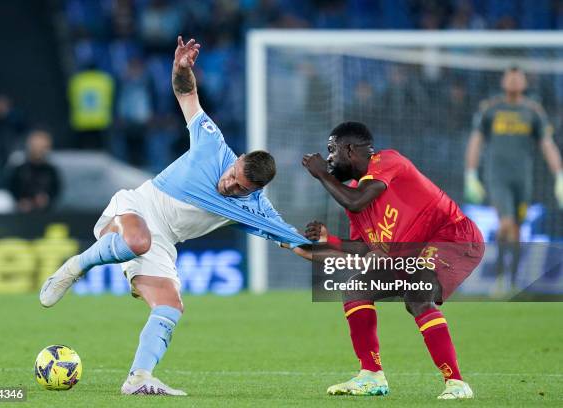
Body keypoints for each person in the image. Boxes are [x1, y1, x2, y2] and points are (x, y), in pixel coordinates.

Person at [39, 36, 309, 396]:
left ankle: (138, 379)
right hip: (135, 207)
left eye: (238, 187)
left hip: (164, 242)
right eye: (232, 173)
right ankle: (75, 266)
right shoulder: (213, 144)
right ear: (238, 158)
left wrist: (348, 254)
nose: (228, 183)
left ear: (253, 191)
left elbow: (300, 245)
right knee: (137, 240)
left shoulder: (257, 210)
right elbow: (186, 95)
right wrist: (181, 68)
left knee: (170, 307)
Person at [300, 122, 484, 399]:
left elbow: (357, 200)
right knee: (356, 288)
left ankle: (457, 383)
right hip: (412, 252)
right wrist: (328, 241)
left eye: (331, 150)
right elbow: (365, 247)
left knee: (417, 292)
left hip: (453, 238)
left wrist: (322, 175)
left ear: (350, 150)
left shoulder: (387, 161)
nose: (328, 159)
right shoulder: (352, 194)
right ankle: (371, 376)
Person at [464, 67, 563, 290]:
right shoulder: (491, 109)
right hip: (497, 177)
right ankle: (500, 278)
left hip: (523, 180)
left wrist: (559, 175)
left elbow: (547, 145)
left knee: (516, 230)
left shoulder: (533, 112)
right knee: (506, 223)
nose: (514, 80)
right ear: (503, 80)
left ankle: (512, 280)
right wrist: (471, 173)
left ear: (525, 82)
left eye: (518, 76)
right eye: (510, 75)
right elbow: (476, 141)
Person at [7, 129, 61, 213]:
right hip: (21, 214)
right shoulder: (19, 170)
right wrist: (21, 201)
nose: (38, 150)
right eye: (35, 146)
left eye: (42, 147)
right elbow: (12, 188)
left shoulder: (51, 171)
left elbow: (56, 190)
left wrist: (47, 199)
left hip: (47, 214)